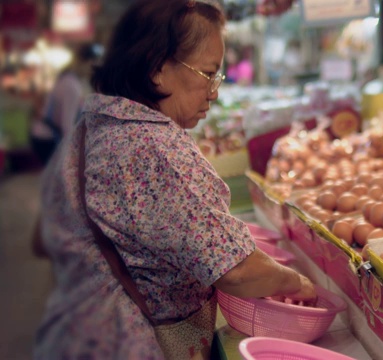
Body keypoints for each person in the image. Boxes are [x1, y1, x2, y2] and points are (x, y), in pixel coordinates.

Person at [33, 1, 316, 358]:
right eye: (207, 74)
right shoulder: (155, 149)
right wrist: (297, 282)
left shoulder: (93, 126)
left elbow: (43, 237)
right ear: (157, 69)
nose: (214, 92)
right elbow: (238, 270)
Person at [29, 43, 98, 166]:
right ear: (86, 62)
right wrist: (74, 155)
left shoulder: (65, 78)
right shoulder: (72, 86)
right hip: (49, 139)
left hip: (41, 136)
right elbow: (67, 124)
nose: (91, 70)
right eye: (92, 65)